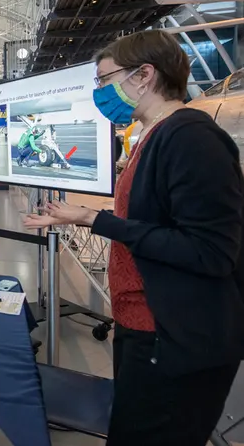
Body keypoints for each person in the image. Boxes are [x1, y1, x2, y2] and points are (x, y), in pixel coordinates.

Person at [23, 30, 244, 446]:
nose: (100, 91)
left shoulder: (191, 137)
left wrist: (96, 220)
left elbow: (210, 251)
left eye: (105, 79)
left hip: (174, 339)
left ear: (144, 75)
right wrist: (88, 217)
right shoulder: (154, 137)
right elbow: (155, 222)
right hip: (142, 327)